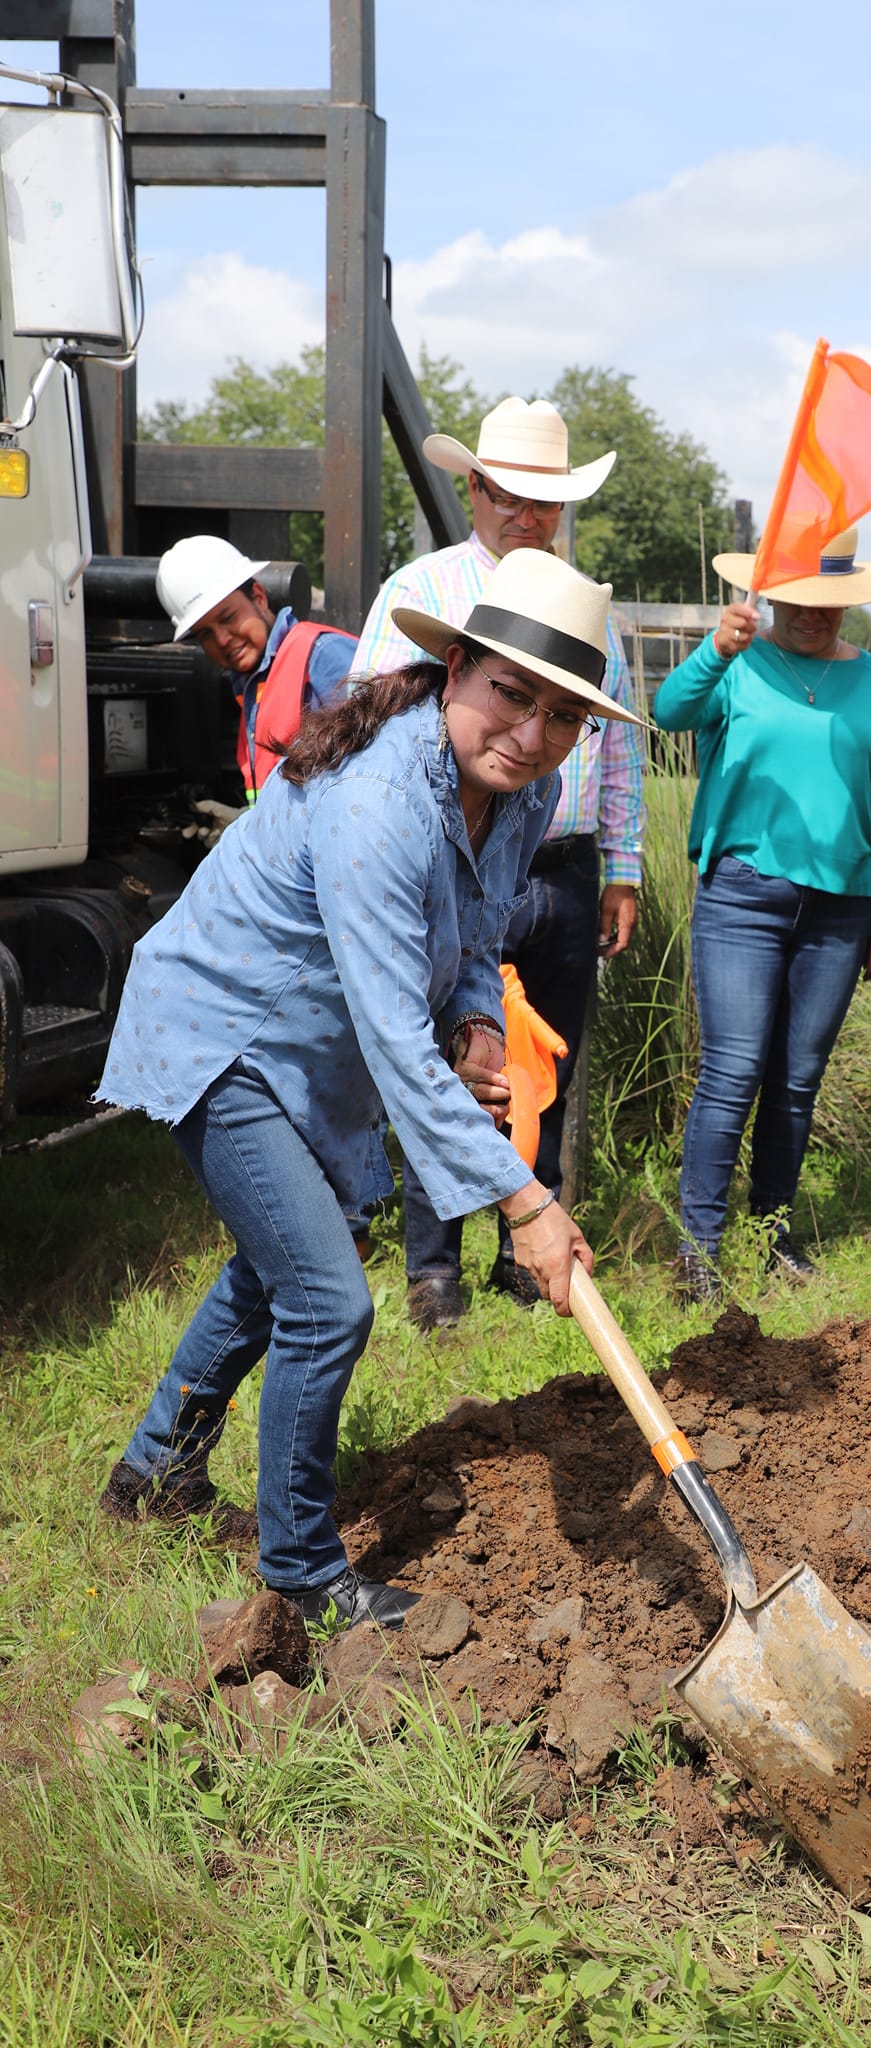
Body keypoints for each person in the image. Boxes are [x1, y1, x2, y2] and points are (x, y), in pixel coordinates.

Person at [95, 549, 643, 1629]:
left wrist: (481, 1018)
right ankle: (300, 1565)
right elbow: (396, 1029)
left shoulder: (517, 800)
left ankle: (150, 1472)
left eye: (560, 719)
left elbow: (477, 933)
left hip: (313, 1044)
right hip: (228, 1032)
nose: (529, 735)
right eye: (510, 695)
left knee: (276, 1265)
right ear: (458, 673)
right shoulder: (381, 796)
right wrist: (523, 1201)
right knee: (327, 1297)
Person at [351, 397, 647, 1328]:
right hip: (443, 856)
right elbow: (368, 724)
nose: (527, 513)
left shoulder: (586, 607)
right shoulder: (426, 589)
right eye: (510, 493)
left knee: (543, 1062)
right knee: (448, 1054)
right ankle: (434, 1267)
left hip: (558, 860)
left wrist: (622, 864)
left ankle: (528, 1247)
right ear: (475, 488)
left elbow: (617, 747)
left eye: (544, 500)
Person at [653, 527, 871, 1301]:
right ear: (768, 596)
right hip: (741, 894)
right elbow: (670, 712)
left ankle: (772, 1233)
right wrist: (715, 651)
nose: (813, 615)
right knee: (733, 1071)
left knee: (796, 1080)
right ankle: (697, 1251)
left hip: (842, 907)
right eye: (798, 599)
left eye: (830, 602)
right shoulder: (738, 664)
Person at [155, 534, 357, 822]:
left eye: (227, 618)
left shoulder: (322, 655)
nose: (222, 639)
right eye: (206, 634)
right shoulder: (254, 688)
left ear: (259, 598)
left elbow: (384, 769)